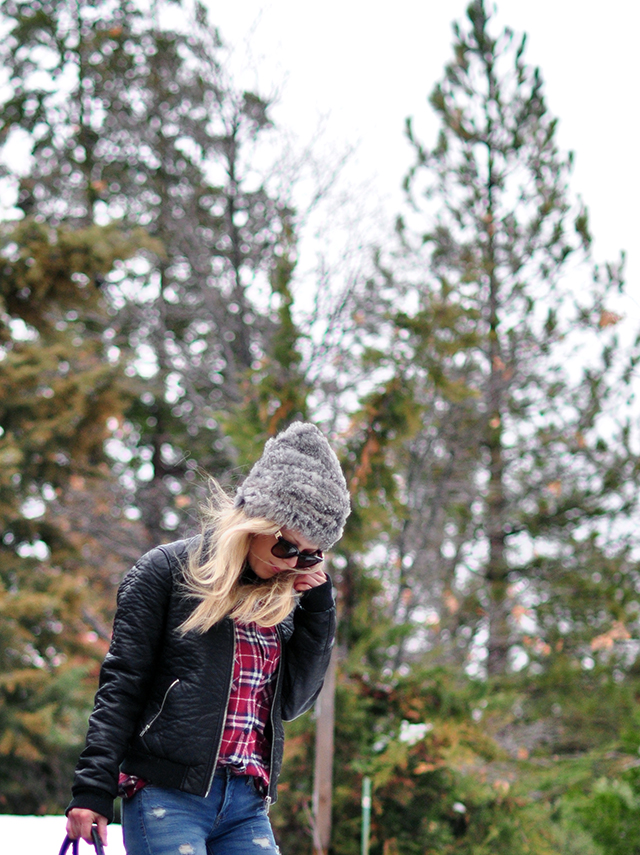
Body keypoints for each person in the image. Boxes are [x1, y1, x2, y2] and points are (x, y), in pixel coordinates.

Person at [65, 421, 350, 855]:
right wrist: (91, 789)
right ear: (254, 522)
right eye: (286, 546)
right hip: (166, 795)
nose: (294, 563)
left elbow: (292, 704)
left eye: (310, 554)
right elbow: (122, 685)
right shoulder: (166, 571)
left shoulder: (283, 600)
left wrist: (318, 611)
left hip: (246, 805)